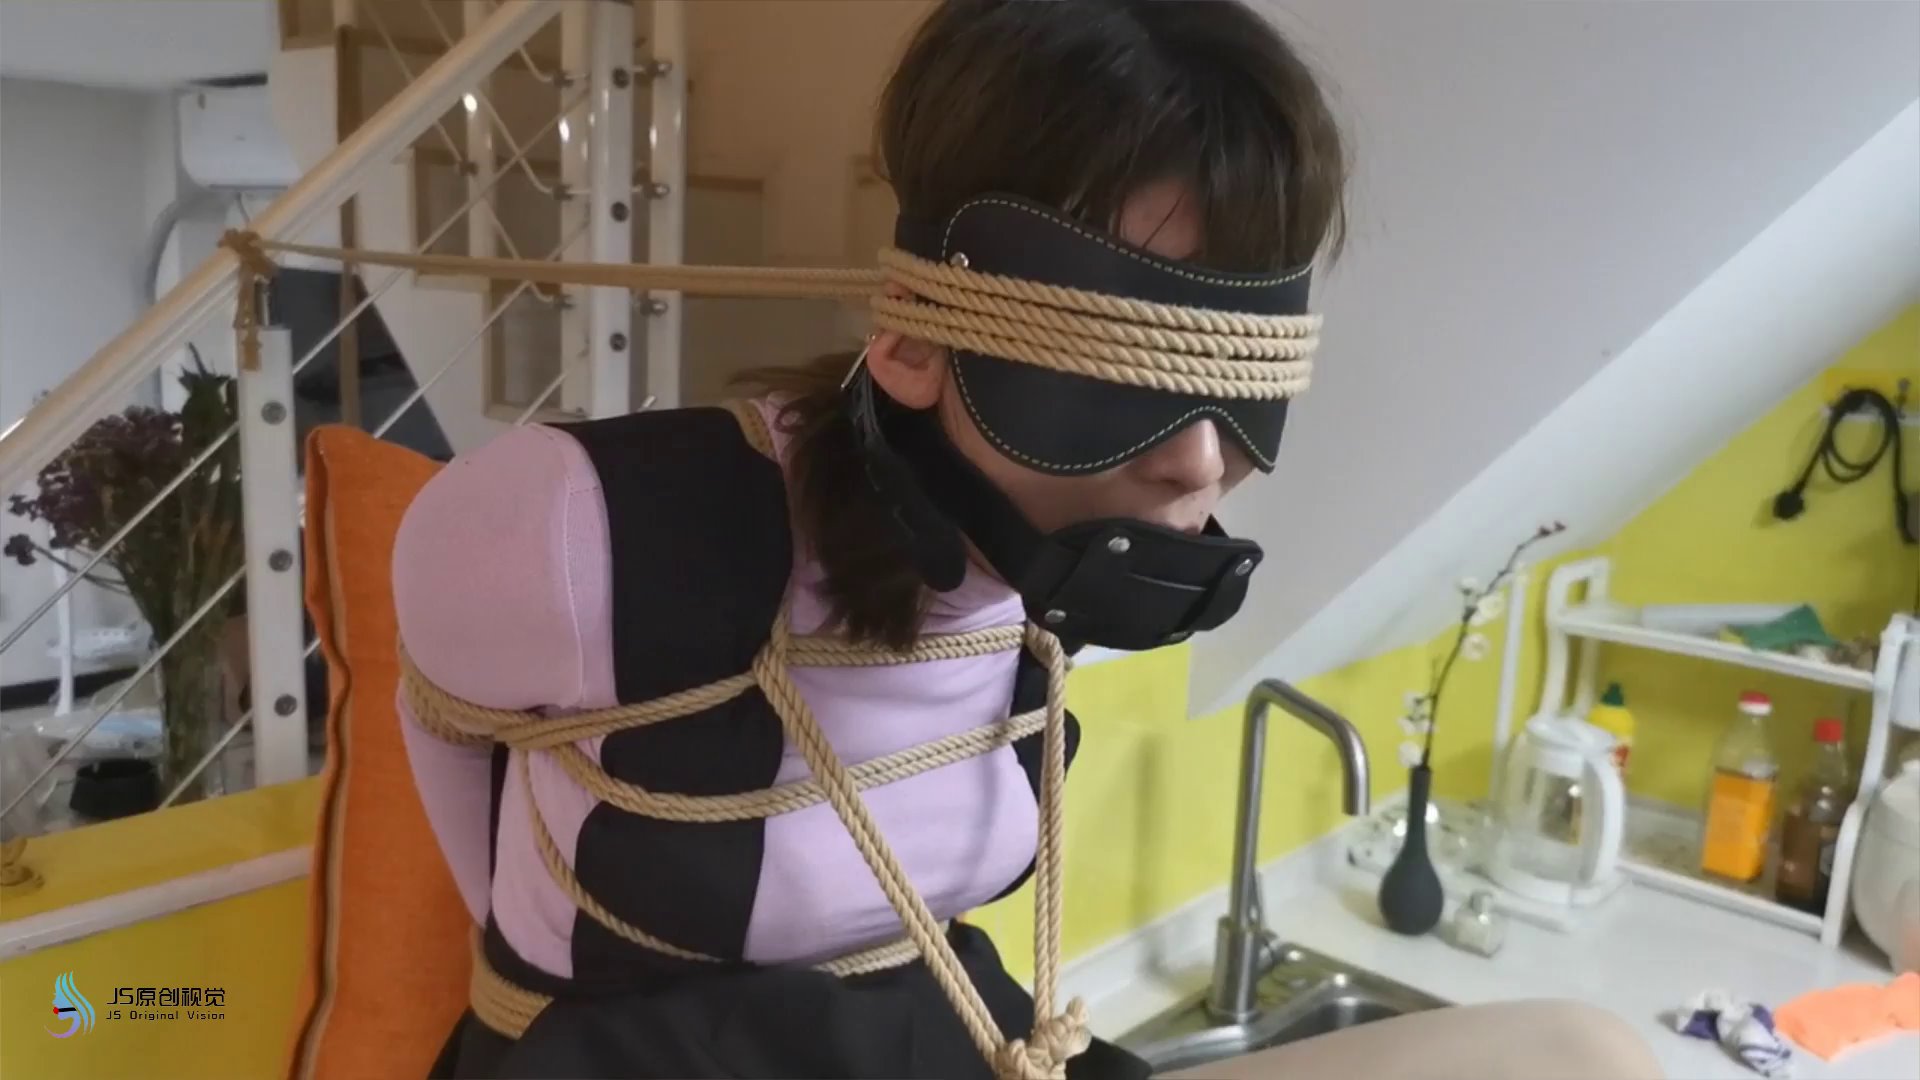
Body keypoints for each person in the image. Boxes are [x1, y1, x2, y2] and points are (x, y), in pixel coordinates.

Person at [392, 1, 1664, 1077]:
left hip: (944, 1033)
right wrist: (528, 958)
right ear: (913, 338)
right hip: (634, 1057)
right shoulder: (584, 530)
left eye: (1238, 388)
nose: (1200, 464)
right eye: (1124, 373)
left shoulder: (1038, 582)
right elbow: (448, 724)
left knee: (1583, 1052)